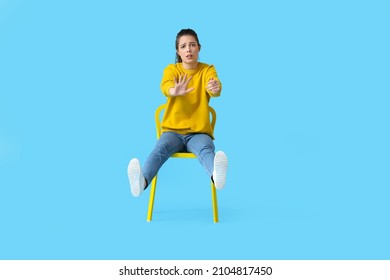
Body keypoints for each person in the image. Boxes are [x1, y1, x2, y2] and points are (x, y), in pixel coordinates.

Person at [127, 28, 228, 197]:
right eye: (183, 46)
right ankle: (141, 182)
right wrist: (174, 90)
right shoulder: (172, 70)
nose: (188, 49)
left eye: (192, 45)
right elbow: (165, 85)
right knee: (160, 148)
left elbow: (214, 86)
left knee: (206, 148)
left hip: (199, 132)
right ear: (178, 51)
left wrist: (215, 87)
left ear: (199, 48)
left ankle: (216, 176)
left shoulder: (207, 69)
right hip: (172, 131)